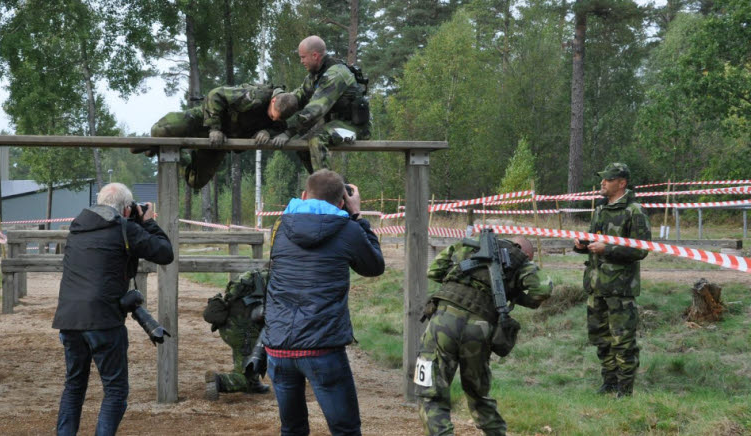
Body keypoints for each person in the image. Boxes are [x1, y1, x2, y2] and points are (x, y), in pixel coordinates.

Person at [262, 169, 385, 436]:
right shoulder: (348, 229)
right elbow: (374, 266)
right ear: (342, 201)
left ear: (304, 196)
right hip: (322, 346)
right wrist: (358, 216)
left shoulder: (281, 227)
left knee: (292, 429)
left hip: (279, 346)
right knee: (346, 430)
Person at [51, 183, 174, 436]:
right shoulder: (125, 229)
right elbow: (165, 252)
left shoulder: (77, 227)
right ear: (127, 209)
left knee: (74, 387)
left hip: (69, 319)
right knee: (115, 391)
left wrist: (133, 221)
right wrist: (148, 222)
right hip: (104, 320)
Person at [416, 234, 551, 436]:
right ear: (526, 253)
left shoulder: (468, 246)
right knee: (479, 395)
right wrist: (512, 294)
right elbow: (542, 289)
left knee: (431, 394)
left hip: (442, 322)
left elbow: (433, 270)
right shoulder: (520, 261)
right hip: (480, 329)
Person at [573, 162, 651, 398]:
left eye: (607, 179)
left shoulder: (634, 211)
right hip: (596, 287)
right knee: (600, 338)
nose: (602, 183)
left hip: (620, 289)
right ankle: (609, 381)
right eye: (602, 179)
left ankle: (625, 390)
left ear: (621, 183)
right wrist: (581, 246)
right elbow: (592, 242)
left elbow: (641, 250)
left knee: (623, 341)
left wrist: (608, 249)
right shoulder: (600, 210)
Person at [145, 84, 301, 189]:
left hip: (223, 141)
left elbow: (280, 128)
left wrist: (268, 132)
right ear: (273, 101)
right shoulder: (255, 96)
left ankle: (183, 156)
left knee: (195, 181)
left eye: (277, 118)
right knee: (159, 131)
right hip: (207, 120)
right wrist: (214, 128)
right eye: (273, 115)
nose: (273, 119)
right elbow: (216, 94)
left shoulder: (281, 114)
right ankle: (165, 146)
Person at [270, 35, 371, 174]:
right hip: (336, 125)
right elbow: (299, 96)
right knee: (302, 147)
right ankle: (330, 186)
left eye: (303, 57)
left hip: (355, 128)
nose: (301, 61)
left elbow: (313, 112)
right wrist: (277, 104)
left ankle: (327, 188)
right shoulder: (314, 76)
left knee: (316, 139)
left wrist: (288, 132)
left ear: (315, 55)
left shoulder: (335, 75)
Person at [201, 268, 271, 400]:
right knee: (246, 372)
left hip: (229, 325)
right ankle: (219, 381)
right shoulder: (277, 279)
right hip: (242, 331)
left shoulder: (256, 276)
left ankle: (254, 384)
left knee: (246, 357)